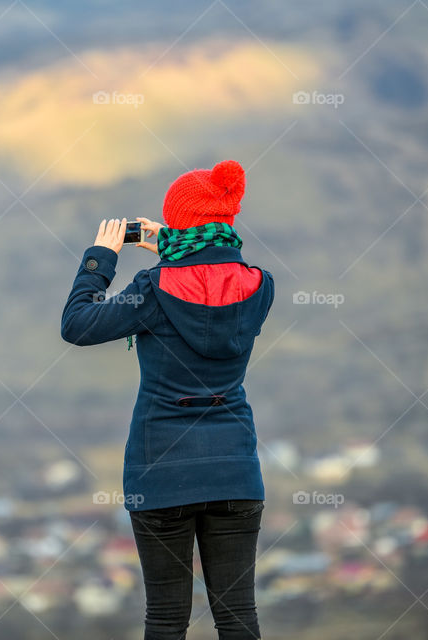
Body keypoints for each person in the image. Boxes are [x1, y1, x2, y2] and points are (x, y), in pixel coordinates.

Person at [61, 160, 274, 639]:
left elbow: (77, 325)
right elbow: (215, 281)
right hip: (236, 473)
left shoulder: (152, 290)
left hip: (160, 474)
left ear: (177, 222)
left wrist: (101, 256)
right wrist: (176, 246)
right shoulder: (260, 287)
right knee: (238, 614)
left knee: (165, 618)